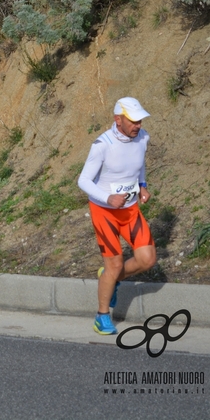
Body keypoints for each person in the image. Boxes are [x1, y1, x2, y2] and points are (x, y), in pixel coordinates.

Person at [78, 97, 157, 335]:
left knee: (147, 259)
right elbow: (82, 180)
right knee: (114, 263)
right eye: (133, 121)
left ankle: (109, 278)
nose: (138, 125)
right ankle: (102, 316)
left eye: (140, 120)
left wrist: (142, 185)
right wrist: (107, 198)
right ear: (117, 119)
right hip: (104, 212)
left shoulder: (143, 137)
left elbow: (139, 163)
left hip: (130, 209)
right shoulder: (102, 144)